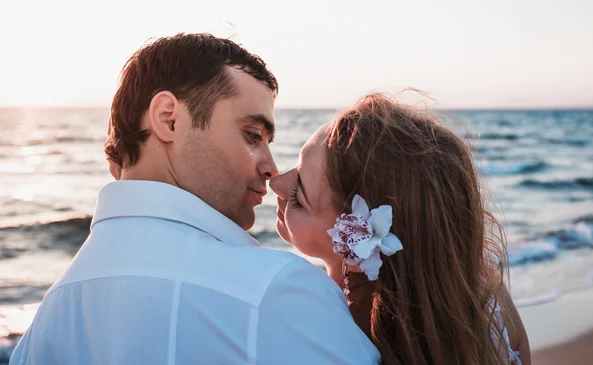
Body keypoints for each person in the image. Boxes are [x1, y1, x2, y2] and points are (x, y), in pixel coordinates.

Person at [10, 33, 379, 365]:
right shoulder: (274, 291)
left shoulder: (47, 320)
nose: (270, 167)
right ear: (168, 119)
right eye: (252, 134)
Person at [270, 93, 531, 365]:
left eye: (297, 197)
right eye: (296, 166)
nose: (275, 182)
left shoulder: (341, 336)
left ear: (360, 242)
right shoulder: (488, 298)